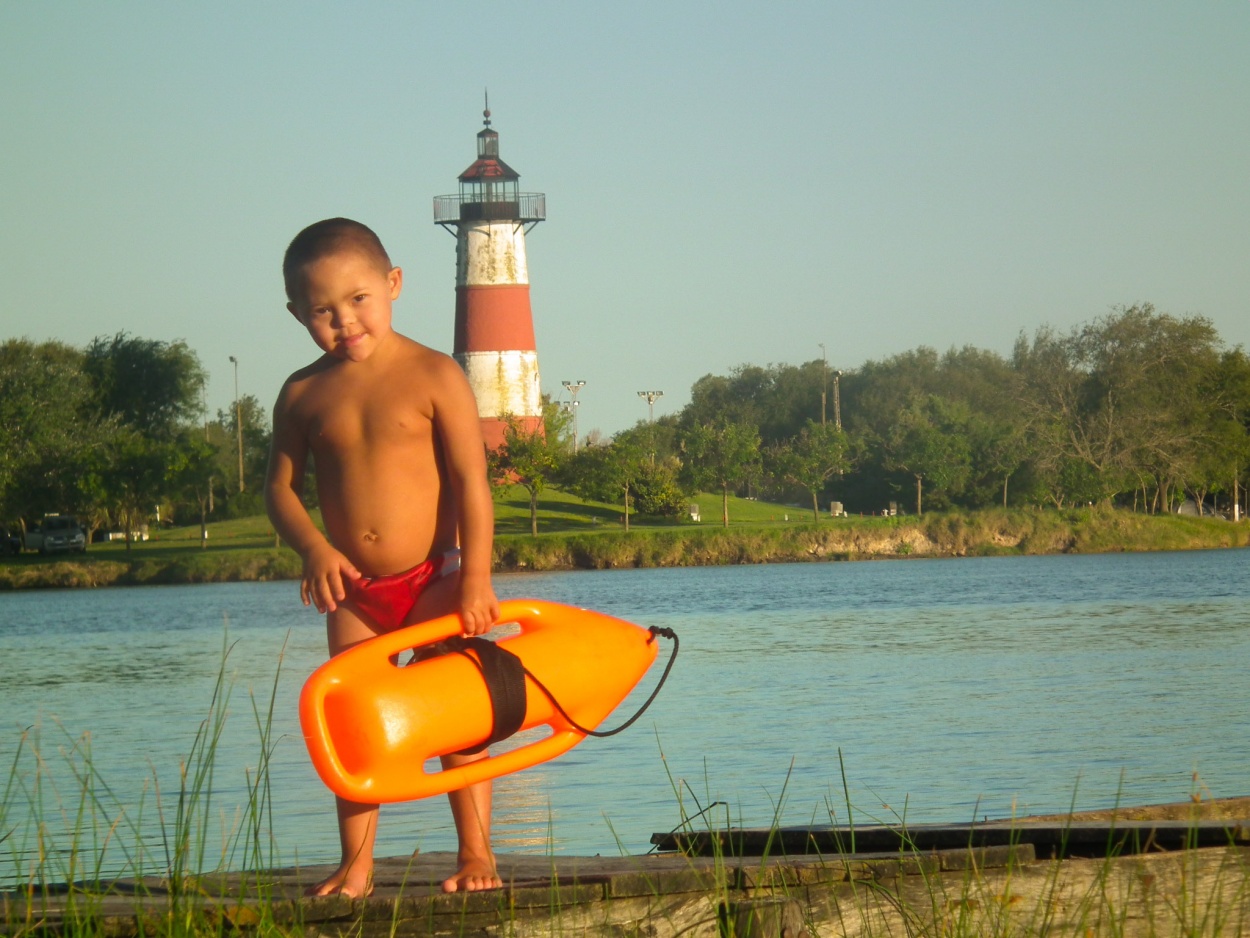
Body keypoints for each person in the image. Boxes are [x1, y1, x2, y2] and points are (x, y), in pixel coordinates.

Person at [265, 217, 502, 897]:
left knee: (459, 712)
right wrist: (313, 546)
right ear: (297, 314)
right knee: (353, 721)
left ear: (393, 284)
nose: (345, 322)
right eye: (323, 312)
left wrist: (477, 576)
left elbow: (471, 483)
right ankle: (357, 864)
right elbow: (278, 489)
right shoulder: (303, 392)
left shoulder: (434, 373)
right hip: (355, 592)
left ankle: (476, 853)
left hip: (437, 578)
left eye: (359, 299)